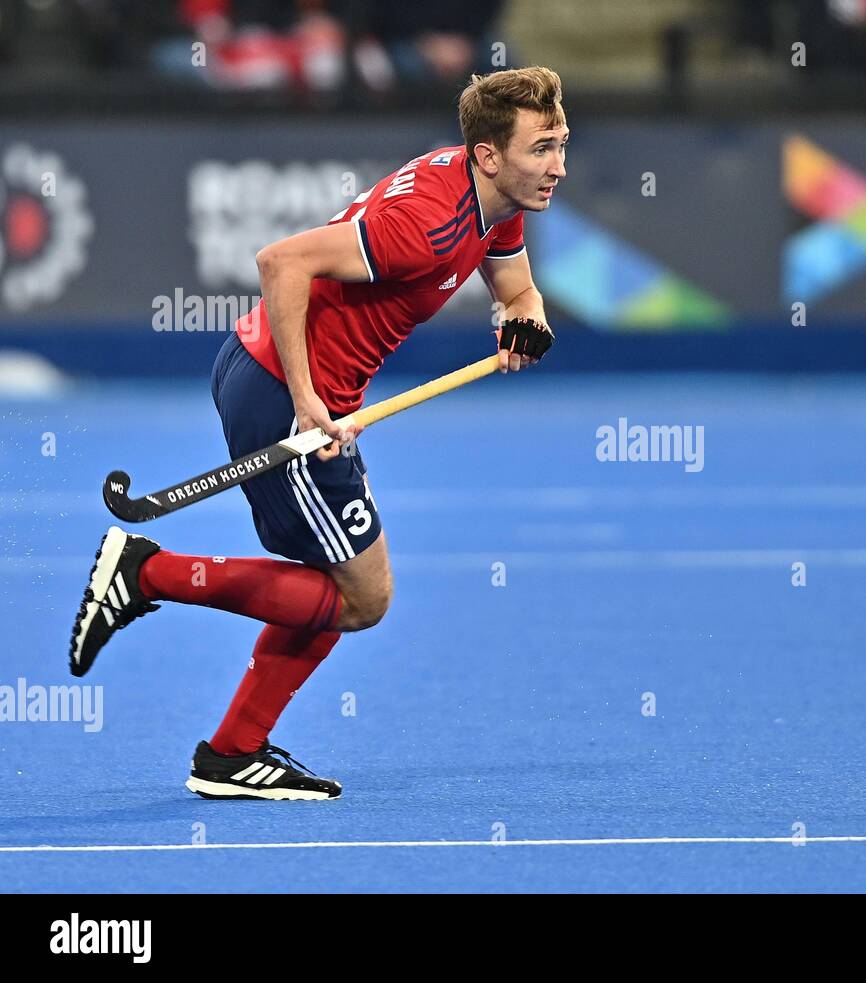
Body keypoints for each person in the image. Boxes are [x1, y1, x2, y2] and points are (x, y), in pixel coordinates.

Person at [67, 66, 567, 800]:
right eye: (542, 148)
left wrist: (525, 319)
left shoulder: (496, 200)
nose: (558, 165)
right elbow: (282, 261)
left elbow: (517, 289)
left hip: (269, 375)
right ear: (489, 154)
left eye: (561, 143)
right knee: (364, 597)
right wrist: (307, 403)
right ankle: (147, 571)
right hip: (285, 395)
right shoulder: (427, 223)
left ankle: (233, 753)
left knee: (334, 579)